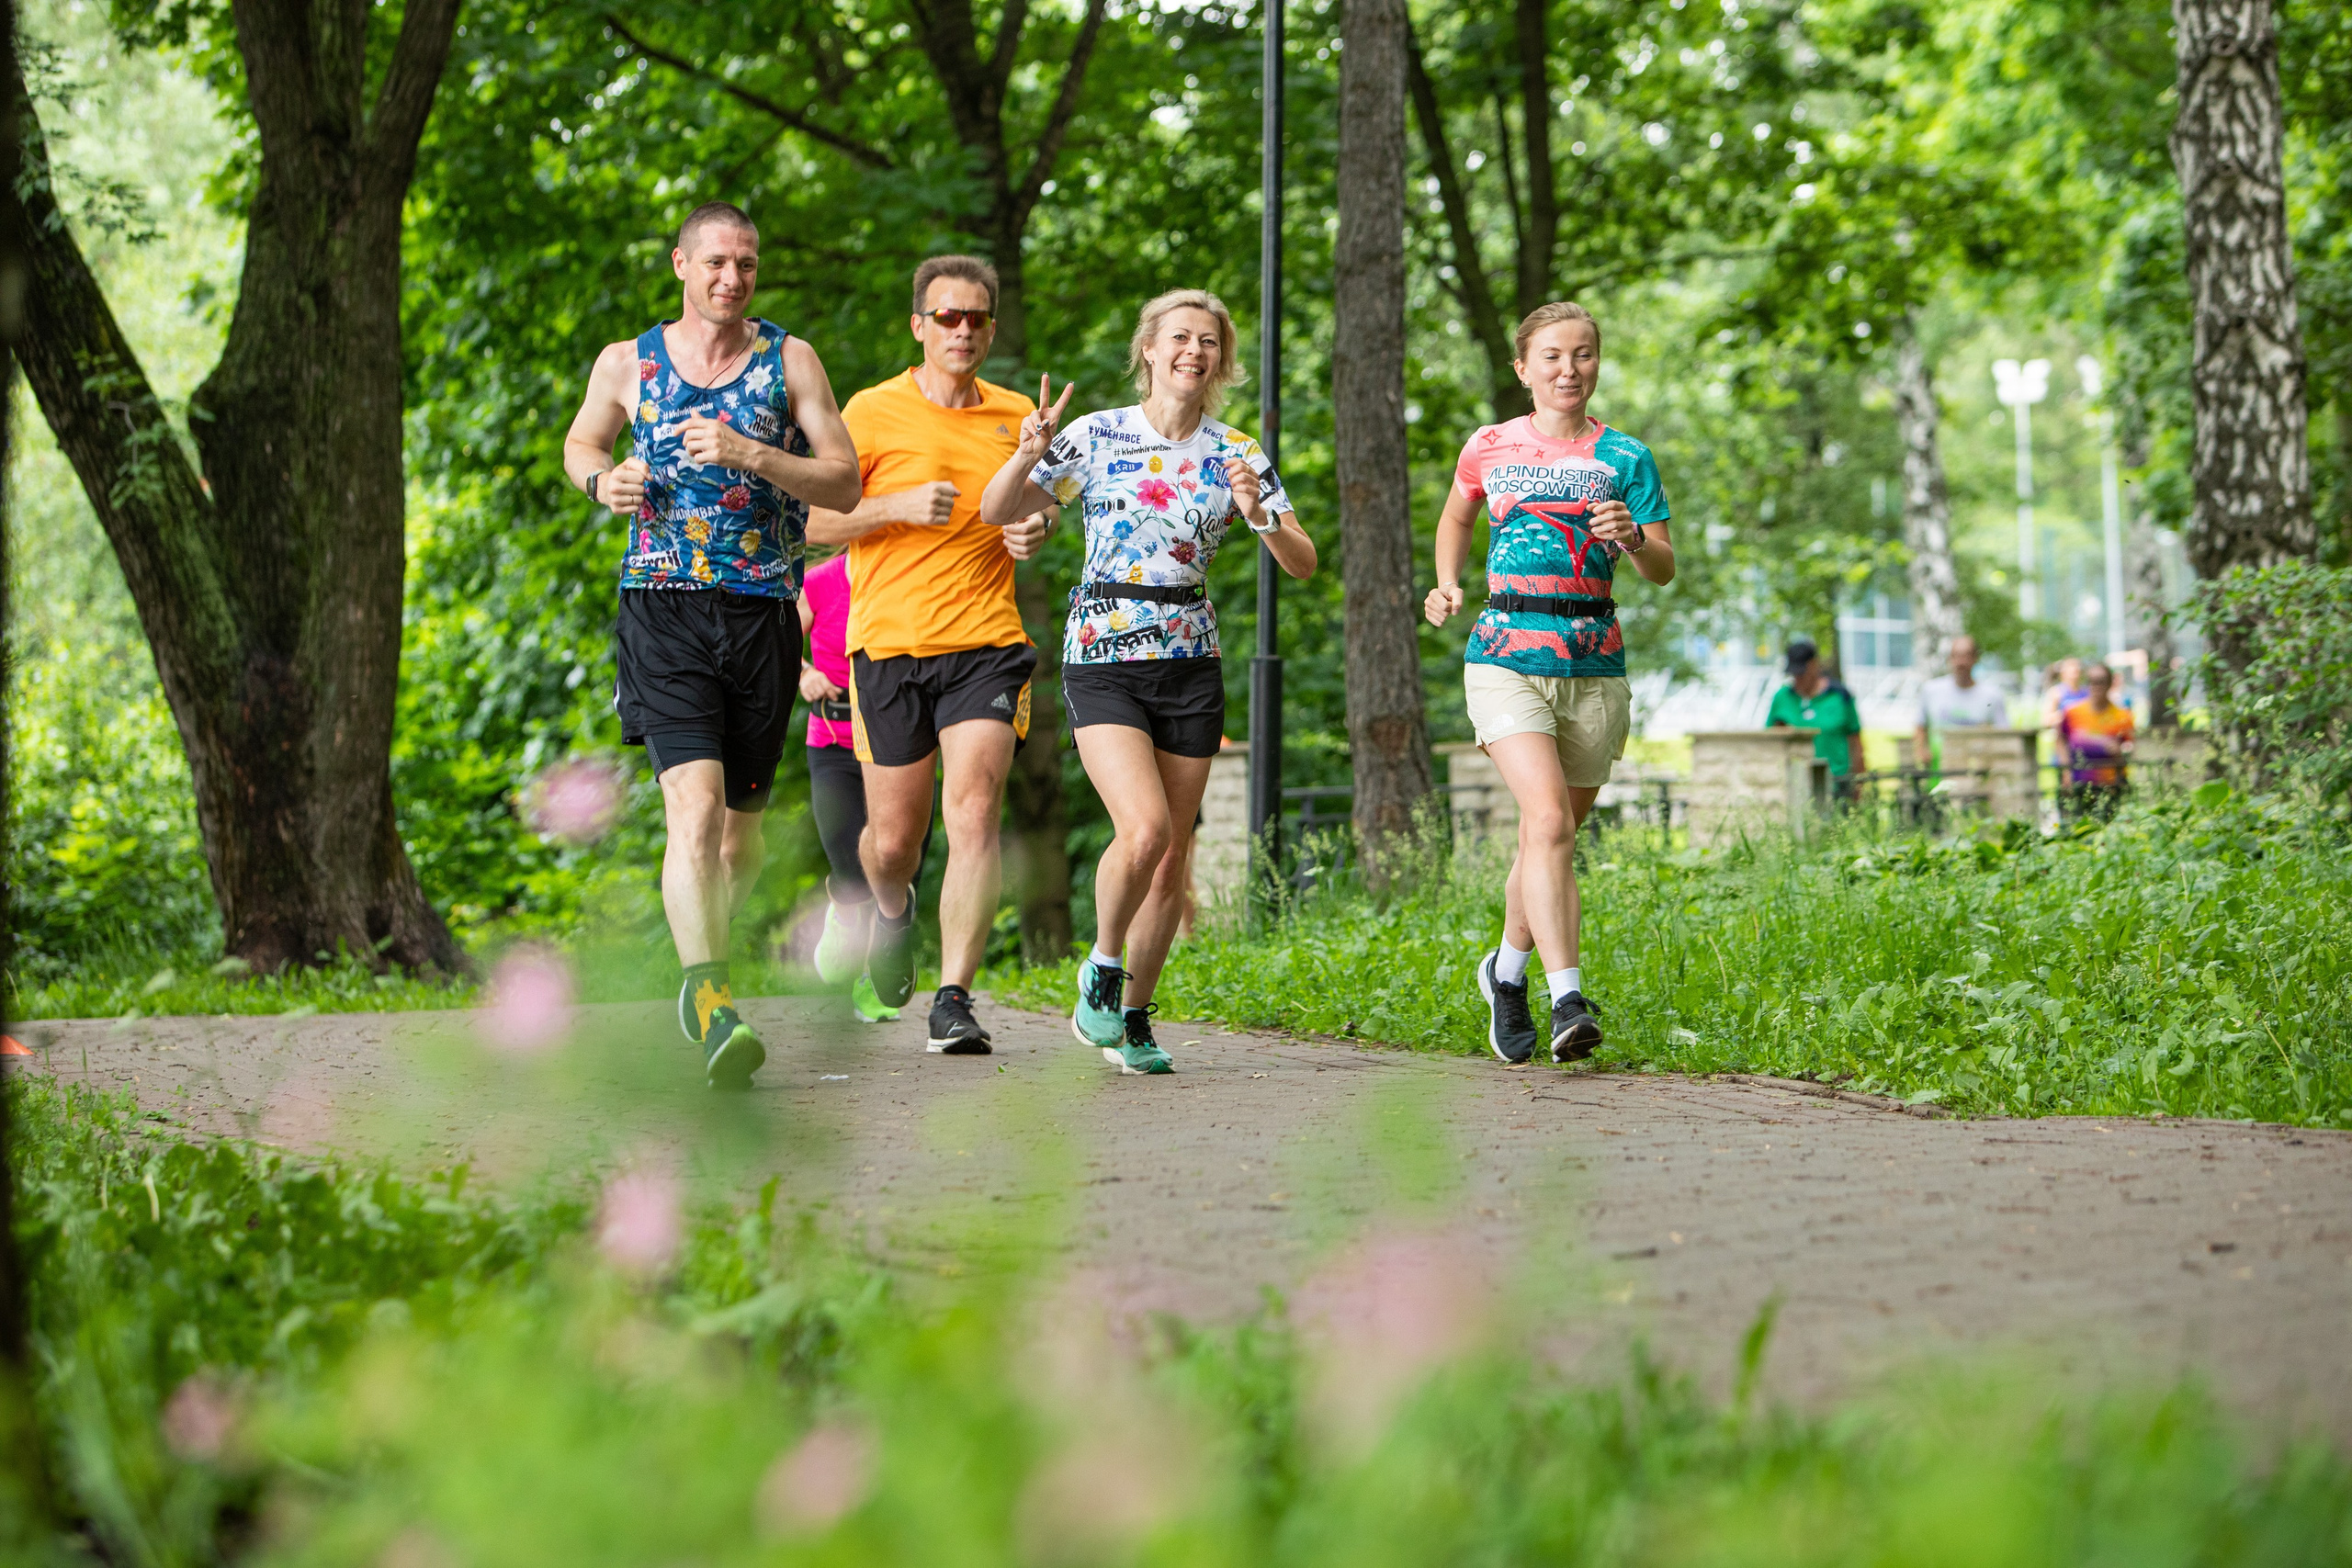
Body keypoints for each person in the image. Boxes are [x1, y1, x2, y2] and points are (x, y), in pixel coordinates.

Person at [563, 201, 861, 1089]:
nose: (733, 278)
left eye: (747, 264)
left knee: (739, 842)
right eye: (717, 263)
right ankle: (710, 997)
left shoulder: (790, 359)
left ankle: (706, 972)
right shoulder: (629, 362)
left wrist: (753, 454)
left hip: (764, 610)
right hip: (662, 606)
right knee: (690, 809)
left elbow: (843, 478)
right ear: (681, 266)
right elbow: (583, 441)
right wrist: (600, 479)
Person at [980, 289, 1316, 1075]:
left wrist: (1256, 511)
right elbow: (998, 509)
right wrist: (1029, 449)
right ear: (1150, 349)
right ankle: (1102, 965)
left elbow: (1301, 561)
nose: (1193, 351)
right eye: (1179, 338)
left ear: (1221, 360)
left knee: (1172, 859)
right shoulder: (1095, 434)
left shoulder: (1238, 451)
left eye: (1208, 341)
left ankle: (1133, 1019)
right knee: (1145, 830)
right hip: (1103, 651)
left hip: (1190, 658)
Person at [807, 256, 1054, 1055]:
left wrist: (1034, 527)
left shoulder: (1016, 415)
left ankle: (953, 997)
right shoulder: (872, 411)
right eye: (948, 317)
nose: (964, 331)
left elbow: (1036, 505)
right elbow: (810, 523)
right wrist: (895, 508)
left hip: (986, 643)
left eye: (978, 318)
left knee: (975, 811)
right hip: (887, 650)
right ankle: (892, 912)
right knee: (889, 846)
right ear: (919, 325)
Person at [1424, 301, 1675, 1067]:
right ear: (1524, 368)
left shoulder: (1626, 457)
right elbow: (1457, 515)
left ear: (1598, 363)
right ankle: (1568, 998)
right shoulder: (1490, 445)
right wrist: (1446, 583)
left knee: (1549, 836)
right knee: (1548, 821)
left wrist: (1634, 540)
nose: (1571, 370)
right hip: (1504, 652)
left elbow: (1663, 566)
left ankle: (1504, 972)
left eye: (1586, 355)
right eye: (1555, 357)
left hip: (1594, 659)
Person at [797, 549, 931, 1023]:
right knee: (851, 866)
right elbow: (775, 644)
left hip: (901, 740)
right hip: (834, 741)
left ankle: (873, 979)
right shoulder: (819, 582)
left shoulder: (911, 572)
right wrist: (805, 673)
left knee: (898, 865)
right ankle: (844, 905)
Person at [1767, 638, 1865, 799]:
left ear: (1814, 665)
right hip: (1796, 786)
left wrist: (1859, 784)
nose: (1797, 679)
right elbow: (1771, 742)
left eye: (1801, 673)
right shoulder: (1782, 698)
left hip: (1837, 783)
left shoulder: (1840, 696)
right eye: (1793, 674)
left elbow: (1856, 741)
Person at [1914, 634, 2008, 770]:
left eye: (1966, 656)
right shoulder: (1931, 690)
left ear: (1976, 658)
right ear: (1949, 659)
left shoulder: (1992, 696)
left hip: (1978, 770)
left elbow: (2003, 734)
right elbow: (1920, 726)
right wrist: (1922, 751)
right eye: (1956, 656)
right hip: (1939, 768)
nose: (1961, 662)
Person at [2058, 661, 2134, 819]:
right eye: (2092, 681)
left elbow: (2131, 748)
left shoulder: (2123, 716)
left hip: (2110, 786)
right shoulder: (2072, 713)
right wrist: (2066, 772)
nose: (2096, 686)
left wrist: (2118, 751)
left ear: (2109, 683)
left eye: (2100, 681)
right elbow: (2060, 740)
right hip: (2079, 785)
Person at [2040, 655, 2087, 739]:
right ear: (2063, 672)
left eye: (2077, 666)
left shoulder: (2087, 693)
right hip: (2064, 739)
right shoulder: (2055, 692)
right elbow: (2046, 721)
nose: (2075, 668)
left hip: (2085, 739)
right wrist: (2067, 715)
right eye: (2071, 666)